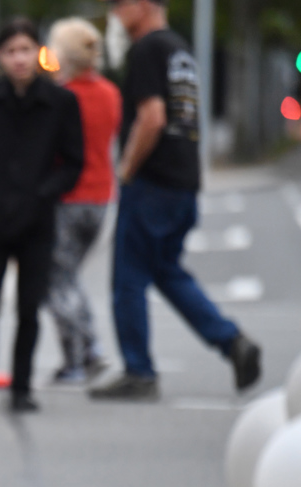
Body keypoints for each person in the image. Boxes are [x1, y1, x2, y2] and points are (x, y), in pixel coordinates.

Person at [90, 0, 260, 401]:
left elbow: (152, 117)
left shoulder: (148, 49)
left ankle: (139, 371)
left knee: (128, 278)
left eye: (120, 3)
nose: (114, 11)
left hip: (152, 182)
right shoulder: (179, 49)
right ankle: (231, 341)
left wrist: (127, 168)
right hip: (183, 181)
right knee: (165, 270)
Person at [0, 18, 83, 414]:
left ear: (38, 53)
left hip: (38, 219)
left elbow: (72, 163)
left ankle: (22, 388)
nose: (19, 59)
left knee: (29, 307)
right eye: (10, 51)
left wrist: (43, 195)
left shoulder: (60, 103)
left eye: (26, 50)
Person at [45, 18, 120, 384]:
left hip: (69, 196)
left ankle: (83, 354)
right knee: (70, 276)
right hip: (102, 196)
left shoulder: (63, 97)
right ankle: (86, 352)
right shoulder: (110, 93)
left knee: (58, 279)